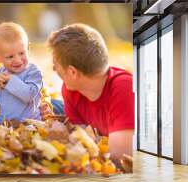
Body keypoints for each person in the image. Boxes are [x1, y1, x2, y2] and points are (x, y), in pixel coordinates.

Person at [47, 24, 135, 163]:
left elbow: (120, 157)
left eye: (55, 64)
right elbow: (79, 138)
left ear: (72, 72)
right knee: (47, 106)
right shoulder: (72, 90)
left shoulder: (124, 87)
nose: (53, 69)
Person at [0, 22, 43, 124]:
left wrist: (11, 80)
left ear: (27, 49)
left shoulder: (33, 72)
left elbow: (29, 95)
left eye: (21, 53)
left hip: (29, 124)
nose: (18, 60)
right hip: (5, 125)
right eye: (10, 57)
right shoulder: (0, 72)